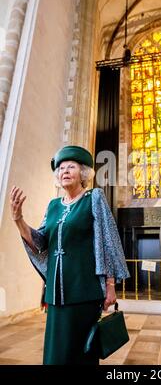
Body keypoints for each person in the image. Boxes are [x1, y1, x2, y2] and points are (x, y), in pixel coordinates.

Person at [10, 145, 130, 365]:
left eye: (71, 167)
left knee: (82, 354)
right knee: (57, 353)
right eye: (61, 168)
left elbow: (108, 240)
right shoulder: (53, 205)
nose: (64, 171)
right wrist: (19, 219)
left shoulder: (94, 197)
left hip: (85, 290)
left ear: (82, 173)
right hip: (56, 295)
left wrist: (110, 285)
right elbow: (40, 241)